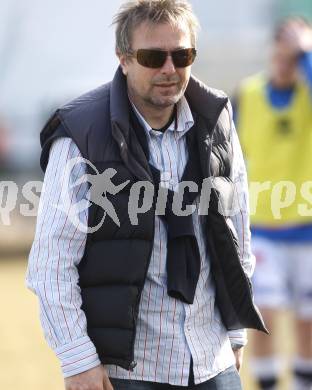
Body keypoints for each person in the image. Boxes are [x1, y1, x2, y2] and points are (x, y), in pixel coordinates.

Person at [25, 1, 267, 389]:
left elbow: (236, 231)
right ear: (123, 59)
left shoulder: (217, 119)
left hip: (213, 363)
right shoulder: (81, 134)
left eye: (182, 55)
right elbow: (51, 264)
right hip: (128, 372)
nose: (169, 69)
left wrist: (235, 331)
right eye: (153, 57)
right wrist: (78, 361)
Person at [234, 17, 312, 390]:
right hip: (262, 229)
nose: (286, 60)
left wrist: (307, 55)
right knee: (262, 315)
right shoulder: (248, 94)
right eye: (282, 51)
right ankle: (266, 385)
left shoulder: (307, 94)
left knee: (307, 321)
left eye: (294, 54)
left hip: (308, 231)